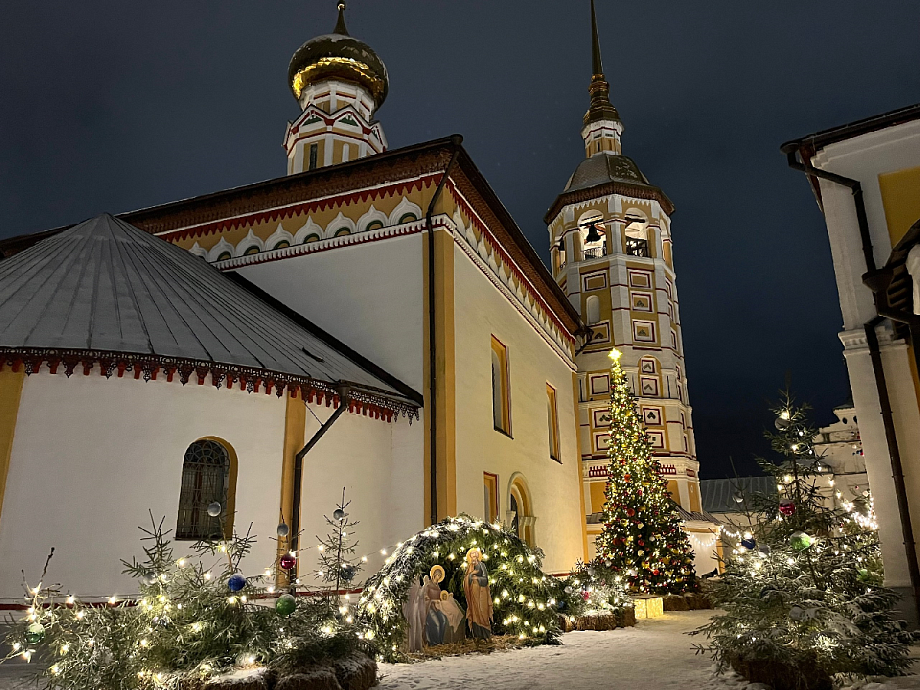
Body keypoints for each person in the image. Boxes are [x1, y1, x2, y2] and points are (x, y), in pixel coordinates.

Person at [462, 548, 493, 639]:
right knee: (475, 612)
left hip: (482, 592)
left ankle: (486, 634)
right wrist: (471, 576)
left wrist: (477, 579)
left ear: (478, 556)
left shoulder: (481, 565)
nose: (474, 557)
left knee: (483, 610)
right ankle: (477, 635)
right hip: (473, 593)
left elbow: (485, 579)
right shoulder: (469, 568)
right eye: (472, 555)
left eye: (475, 555)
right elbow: (466, 580)